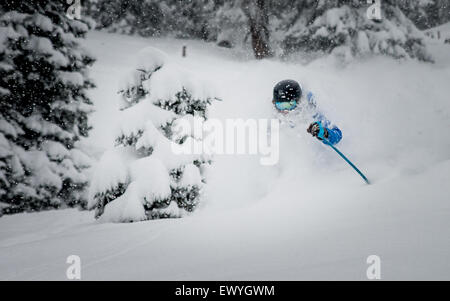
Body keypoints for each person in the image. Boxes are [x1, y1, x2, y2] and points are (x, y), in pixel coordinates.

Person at [272, 79, 342, 145]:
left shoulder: (310, 113)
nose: (284, 110)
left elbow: (337, 135)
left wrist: (324, 133)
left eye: (289, 105)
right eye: (281, 105)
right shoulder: (274, 114)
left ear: (298, 102)